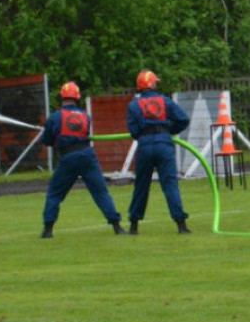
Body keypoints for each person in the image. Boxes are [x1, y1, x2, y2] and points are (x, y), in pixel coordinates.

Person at [38, 81, 126, 238]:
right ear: (77, 98)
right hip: (87, 156)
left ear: (62, 98)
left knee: (54, 194)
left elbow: (47, 141)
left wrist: (50, 132)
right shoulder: (86, 116)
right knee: (100, 192)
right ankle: (117, 226)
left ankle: (48, 230)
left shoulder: (55, 117)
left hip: (68, 158)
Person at [126, 69, 192, 234]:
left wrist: (144, 135)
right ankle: (181, 225)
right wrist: (169, 129)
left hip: (145, 146)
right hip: (164, 143)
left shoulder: (134, 105)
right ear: (152, 84)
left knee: (141, 185)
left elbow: (133, 131)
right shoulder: (165, 101)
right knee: (170, 184)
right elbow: (183, 119)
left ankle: (134, 225)